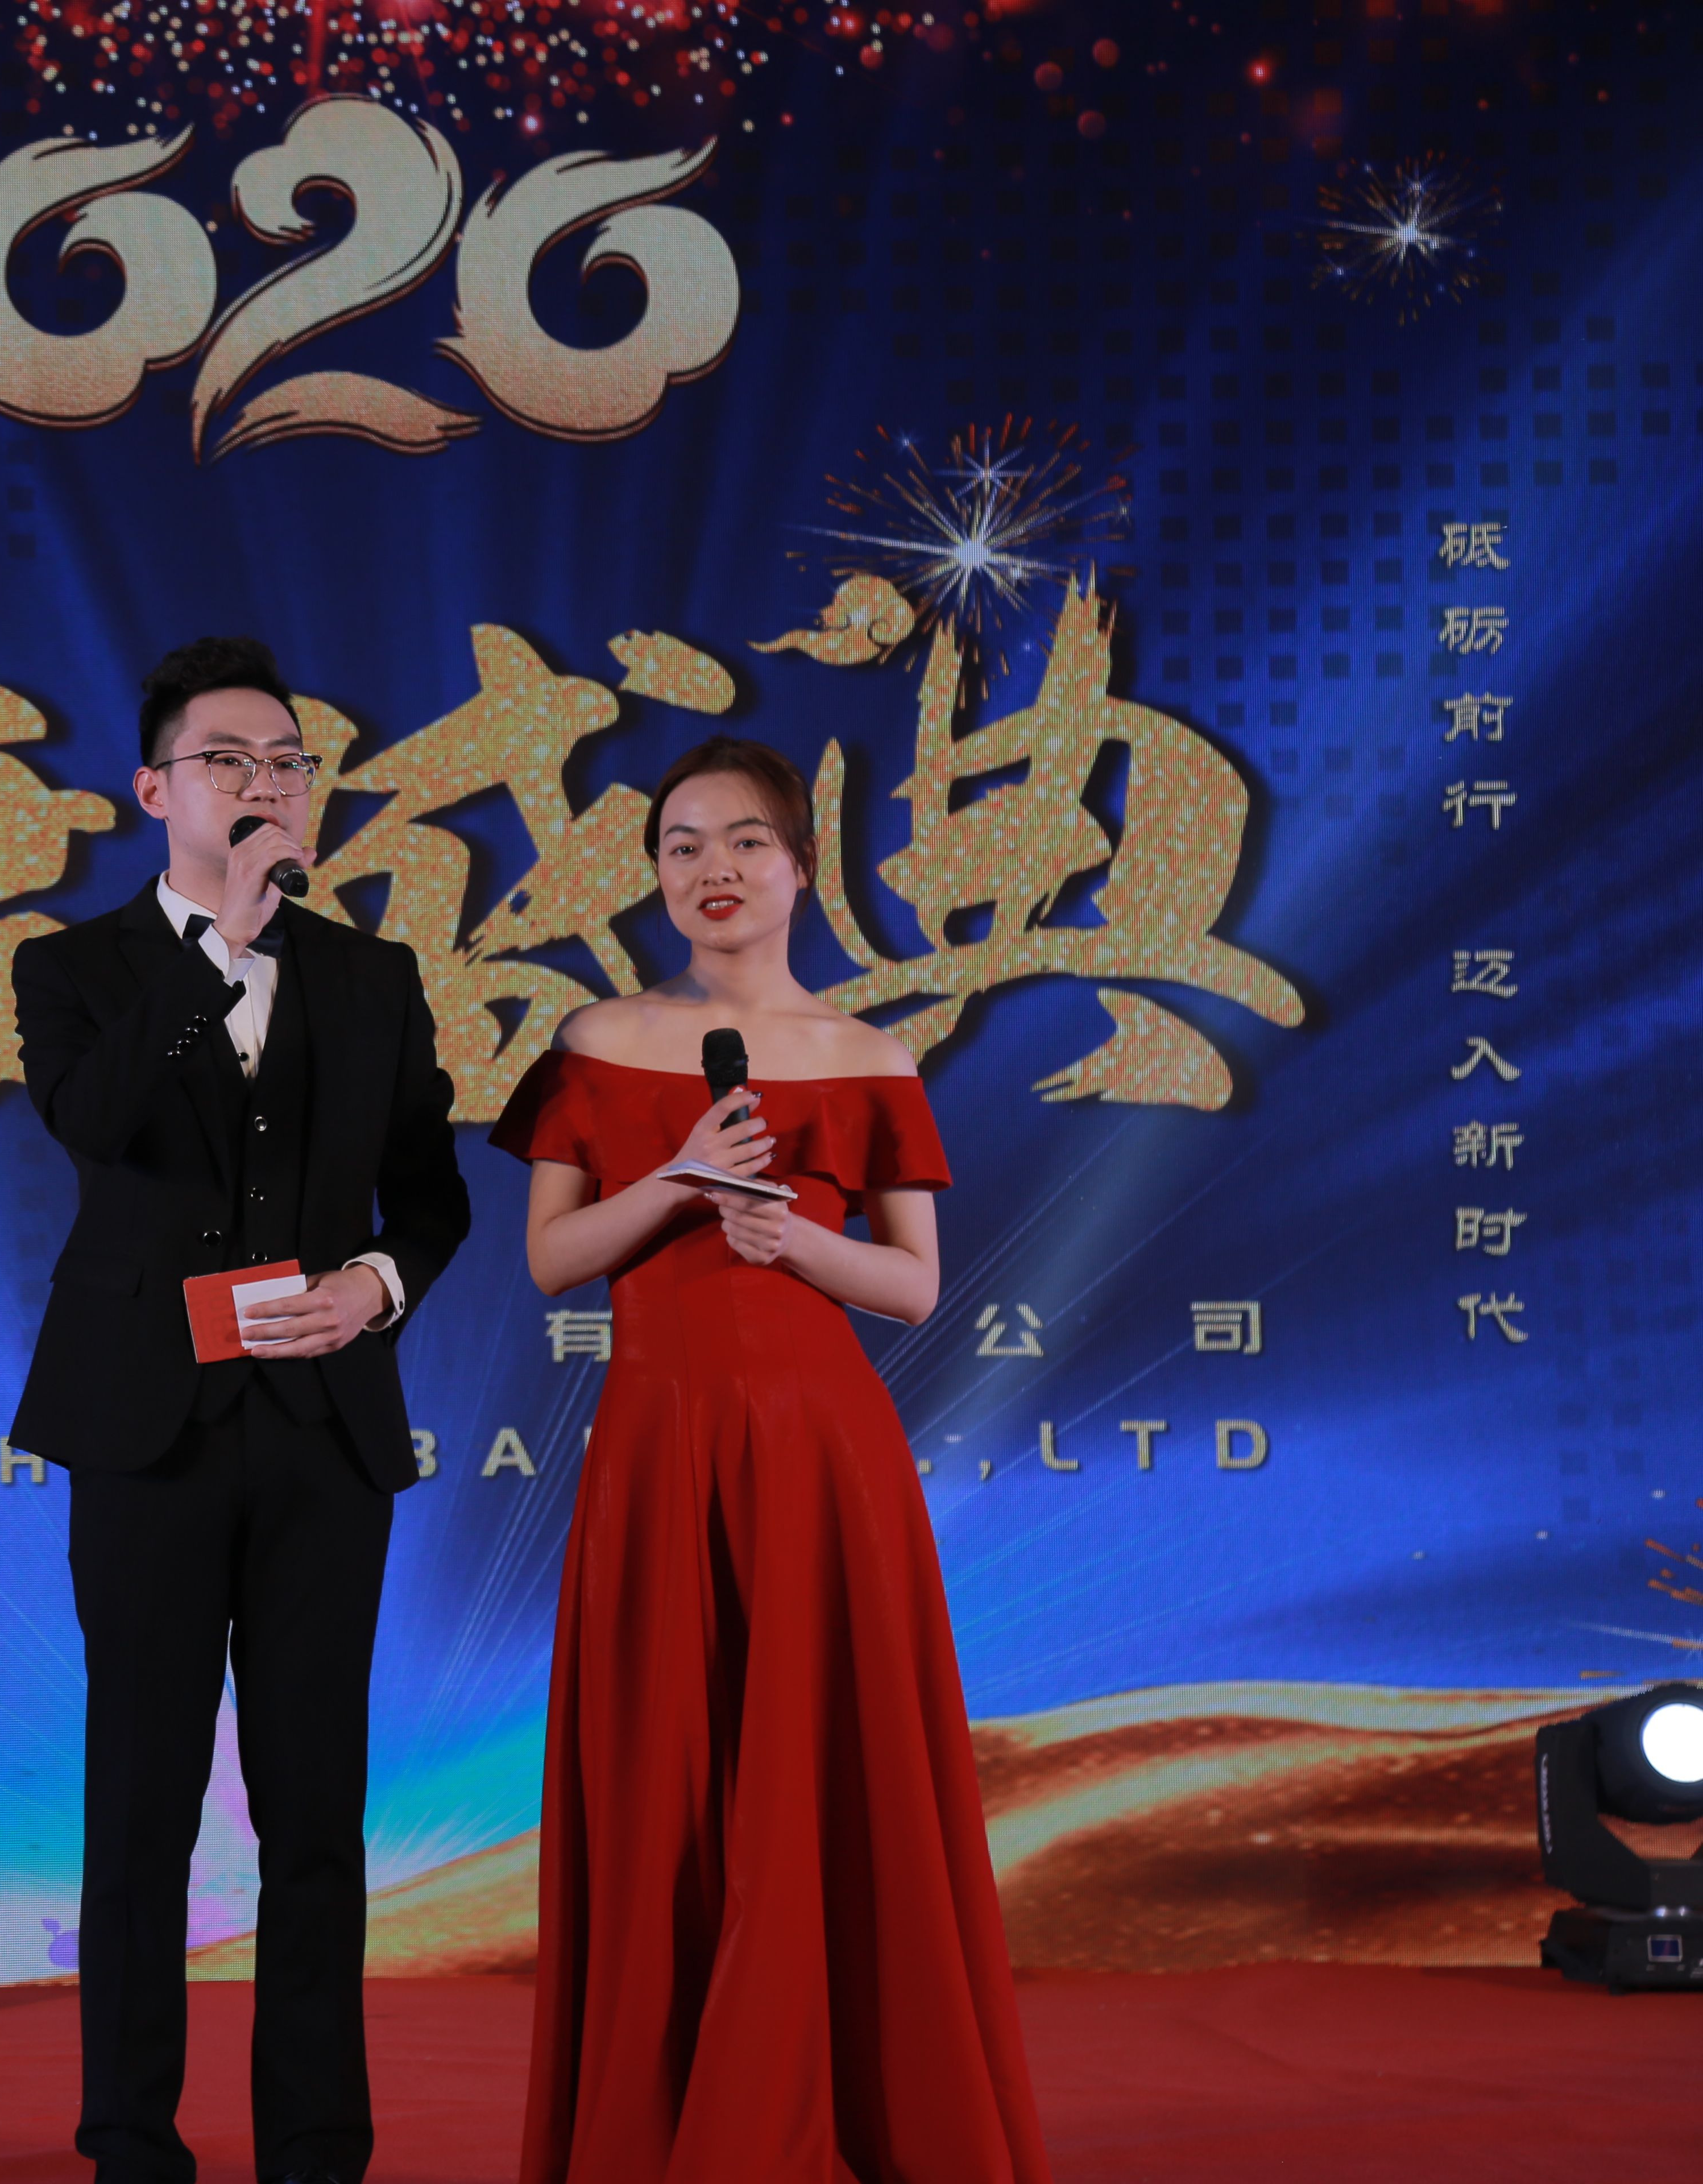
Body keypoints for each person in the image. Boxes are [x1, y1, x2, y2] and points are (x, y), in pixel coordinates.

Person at [488, 735, 1050, 2183]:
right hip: (656, 1445)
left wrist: (792, 1236)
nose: (713, 869)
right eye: (681, 846)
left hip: (820, 1453)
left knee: (825, 1776)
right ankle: (664, 2115)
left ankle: (832, 2112)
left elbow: (914, 1286)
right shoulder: (597, 1040)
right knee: (663, 1778)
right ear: (655, 875)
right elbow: (551, 1257)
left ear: (803, 867)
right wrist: (678, 1182)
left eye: (744, 842)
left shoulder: (870, 1055)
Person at [9, 635, 471, 2184]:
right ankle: (132, 2141)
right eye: (228, 760)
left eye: (287, 762)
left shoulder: (372, 977)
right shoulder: (75, 971)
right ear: (155, 791)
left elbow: (434, 1197)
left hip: (323, 1434)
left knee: (317, 1814)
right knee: (141, 1805)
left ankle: (317, 2149)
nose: (265, 784)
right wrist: (218, 949)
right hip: (146, 1431)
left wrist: (375, 1288)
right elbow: (96, 1121)